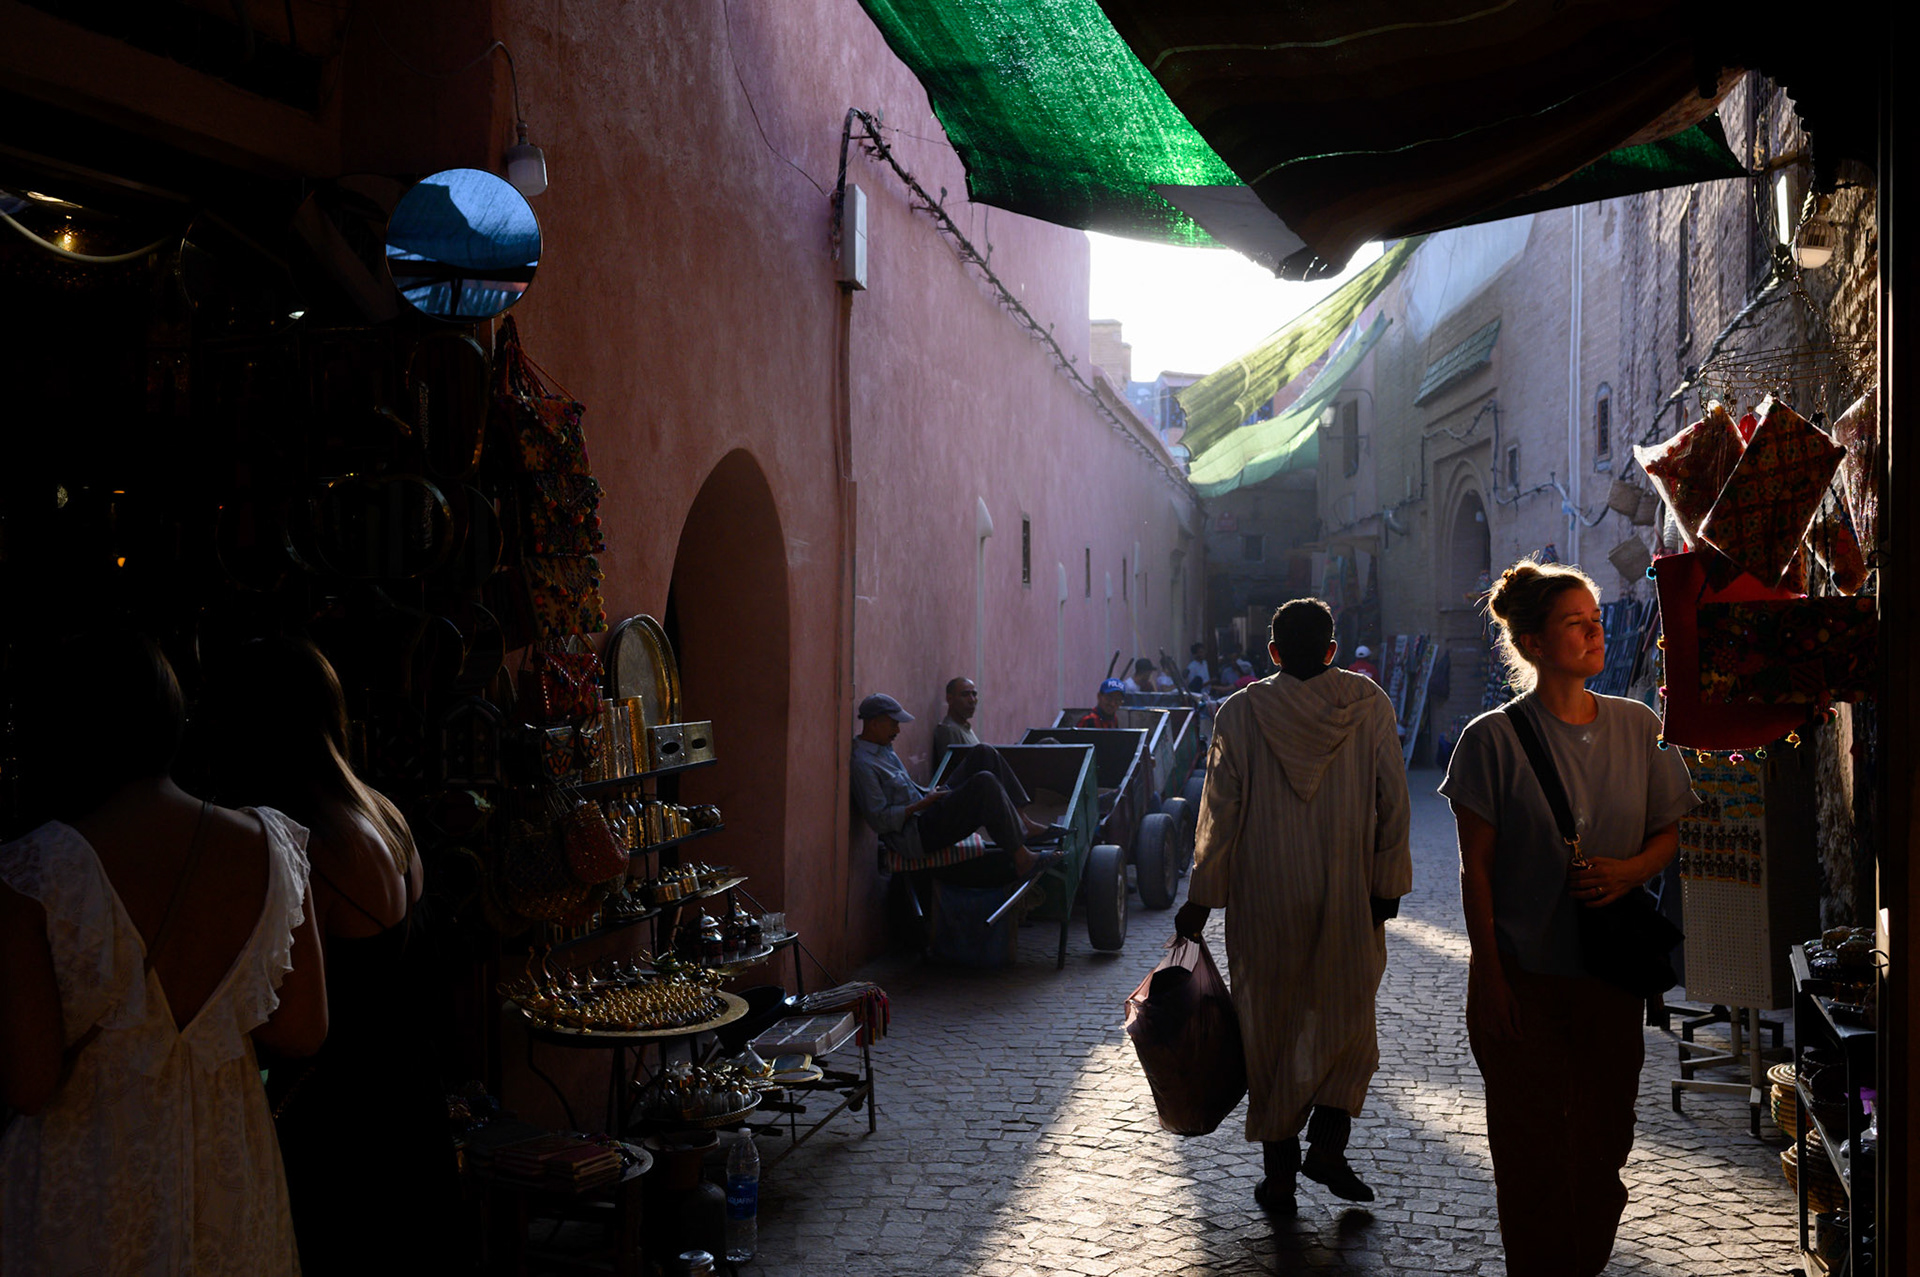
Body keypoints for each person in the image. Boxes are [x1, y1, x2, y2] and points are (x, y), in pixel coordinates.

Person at [0, 632, 327, 1276]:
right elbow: (302, 1030)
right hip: (231, 1189)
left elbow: (29, 1085)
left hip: (86, 1197)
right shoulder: (272, 849)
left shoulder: (32, 871)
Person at [1439, 559, 1696, 1277]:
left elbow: (1669, 833)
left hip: (1608, 982)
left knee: (1603, 1147)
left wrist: (1629, 871)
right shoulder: (1489, 742)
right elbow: (1476, 870)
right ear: (1533, 643)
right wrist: (1490, 980)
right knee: (1528, 1154)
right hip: (1524, 979)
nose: (1594, 631)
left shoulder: (1639, 726)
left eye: (1594, 619)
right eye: (1574, 623)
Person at [196, 637, 459, 1275]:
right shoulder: (381, 813)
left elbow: (293, 1019)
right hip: (411, 1093)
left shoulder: (294, 845)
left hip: (346, 1121)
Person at [1173, 599, 1411, 1216]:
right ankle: (1327, 1146)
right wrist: (1387, 884)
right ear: (1332, 650)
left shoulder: (1241, 712)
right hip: (1349, 892)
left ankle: (1279, 1176)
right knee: (1349, 1023)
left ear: (1272, 653)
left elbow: (1218, 816)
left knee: (1269, 1030)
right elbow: (1394, 801)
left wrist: (1200, 901)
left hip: (1264, 899)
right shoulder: (1368, 705)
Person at [850, 693, 1061, 885]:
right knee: (984, 783)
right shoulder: (863, 765)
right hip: (918, 835)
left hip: (927, 809)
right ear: (874, 724)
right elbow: (879, 820)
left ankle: (1023, 822)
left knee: (983, 753)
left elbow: (905, 788)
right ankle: (1022, 858)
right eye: (893, 724)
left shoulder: (883, 748)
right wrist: (923, 804)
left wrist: (929, 794)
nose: (897, 730)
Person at [931, 676, 981, 764]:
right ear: (950, 699)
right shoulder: (949, 730)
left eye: (974, 694)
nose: (972, 700)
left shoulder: (965, 728)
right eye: (965, 695)